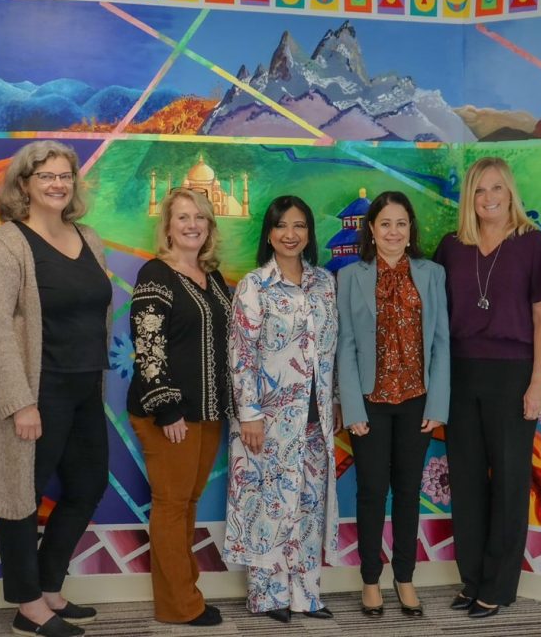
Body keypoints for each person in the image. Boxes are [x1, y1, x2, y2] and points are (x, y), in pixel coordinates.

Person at [0, 141, 111, 637]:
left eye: (65, 175)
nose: (57, 183)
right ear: (24, 185)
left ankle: (50, 585)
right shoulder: (5, 246)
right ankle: (28, 606)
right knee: (20, 497)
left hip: (84, 387)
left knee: (89, 484)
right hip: (36, 391)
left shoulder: (88, 238)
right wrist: (20, 403)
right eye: (46, 176)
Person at [433, 157, 541, 619]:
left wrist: (538, 384)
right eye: (478, 190)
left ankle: (498, 585)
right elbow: (434, 319)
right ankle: (471, 579)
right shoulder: (452, 246)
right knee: (466, 481)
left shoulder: (533, 245)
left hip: (513, 375)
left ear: (511, 193)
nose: (488, 198)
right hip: (459, 373)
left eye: (497, 189)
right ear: (468, 198)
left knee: (509, 483)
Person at [223, 195, 340, 623]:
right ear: (269, 233)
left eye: (300, 226)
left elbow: (330, 350)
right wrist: (249, 413)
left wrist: (336, 404)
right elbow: (242, 355)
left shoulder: (325, 283)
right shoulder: (254, 285)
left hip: (316, 417)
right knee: (268, 505)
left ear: (309, 233)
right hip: (268, 420)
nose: (291, 234)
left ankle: (306, 595)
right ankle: (268, 596)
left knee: (308, 504)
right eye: (282, 226)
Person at [336, 191, 450, 618]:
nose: (393, 232)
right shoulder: (351, 278)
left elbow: (441, 343)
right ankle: (370, 580)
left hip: (417, 404)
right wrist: (353, 409)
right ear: (371, 229)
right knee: (371, 492)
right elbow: (345, 347)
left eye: (401, 223)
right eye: (385, 223)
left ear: (410, 229)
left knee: (407, 492)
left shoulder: (432, 274)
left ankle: (405, 578)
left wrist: (437, 403)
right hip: (370, 402)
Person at [126, 188, 231, 627]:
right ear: (167, 226)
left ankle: (188, 591)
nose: (192, 225)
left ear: (209, 226)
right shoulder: (157, 274)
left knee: (187, 503)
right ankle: (178, 606)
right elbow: (147, 344)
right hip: (169, 413)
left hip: (206, 412)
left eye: (200, 218)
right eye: (183, 217)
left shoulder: (214, 276)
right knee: (171, 504)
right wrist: (167, 409)